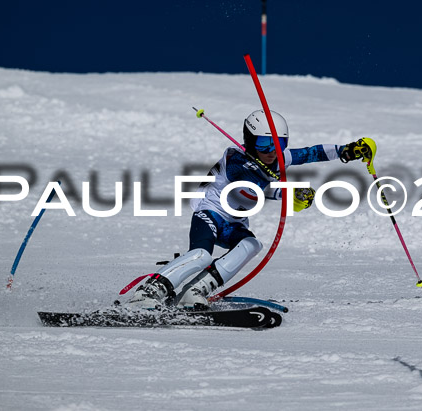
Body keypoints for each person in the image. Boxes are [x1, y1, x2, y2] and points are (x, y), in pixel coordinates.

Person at [127, 110, 373, 311]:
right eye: (264, 143)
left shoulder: (276, 158)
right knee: (202, 255)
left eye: (278, 143)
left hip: (234, 223)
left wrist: (347, 151)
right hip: (210, 214)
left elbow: (312, 153)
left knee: (251, 245)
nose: (270, 150)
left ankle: (195, 291)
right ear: (250, 141)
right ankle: (149, 291)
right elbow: (247, 190)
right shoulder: (236, 162)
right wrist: (286, 193)